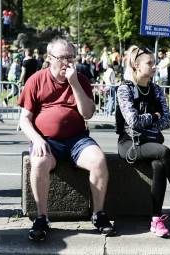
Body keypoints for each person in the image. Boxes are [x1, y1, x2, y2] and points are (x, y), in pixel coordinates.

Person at [17, 37, 115, 241]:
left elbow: (87, 113)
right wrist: (36, 139)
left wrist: (74, 83)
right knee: (39, 162)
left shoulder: (81, 80)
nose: (68, 62)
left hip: (77, 140)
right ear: (50, 58)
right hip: (47, 140)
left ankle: (98, 214)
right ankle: (41, 217)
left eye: (71, 57)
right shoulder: (36, 80)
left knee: (98, 160)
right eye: (63, 58)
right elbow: (24, 120)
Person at [117, 46, 170, 238]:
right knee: (164, 152)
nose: (154, 66)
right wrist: (154, 115)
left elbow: (167, 121)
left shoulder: (156, 90)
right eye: (149, 63)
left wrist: (149, 119)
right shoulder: (125, 89)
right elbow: (133, 122)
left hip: (151, 143)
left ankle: (156, 219)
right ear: (136, 66)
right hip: (130, 144)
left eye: (154, 62)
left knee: (159, 165)